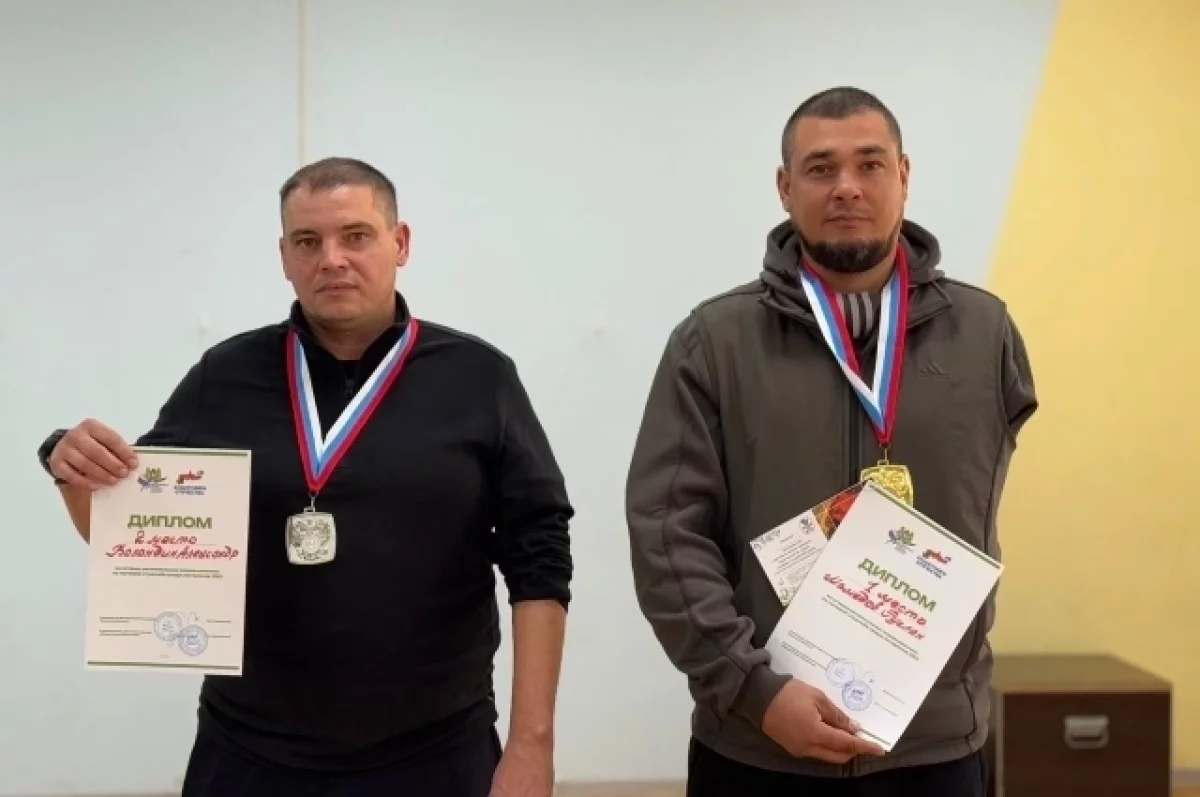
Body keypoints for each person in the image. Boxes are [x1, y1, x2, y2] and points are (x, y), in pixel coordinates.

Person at [37, 157, 574, 797]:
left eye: (356, 236)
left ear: (400, 243)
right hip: (249, 753)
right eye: (308, 241)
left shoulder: (479, 379)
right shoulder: (224, 377)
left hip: (437, 751)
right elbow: (130, 536)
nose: (332, 259)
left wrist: (531, 745)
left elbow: (540, 558)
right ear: (284, 257)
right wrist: (71, 468)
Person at [624, 86, 1037, 796]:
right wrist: (752, 690)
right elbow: (668, 536)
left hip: (933, 747)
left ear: (903, 175)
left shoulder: (986, 333)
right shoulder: (713, 342)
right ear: (785, 188)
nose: (846, 186)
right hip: (758, 745)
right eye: (820, 168)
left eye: (869, 164)